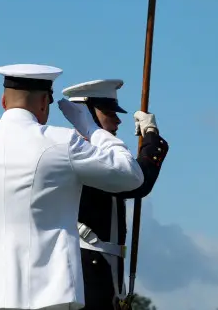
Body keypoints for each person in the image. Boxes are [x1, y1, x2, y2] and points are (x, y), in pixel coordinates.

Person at [0, 64, 145, 310]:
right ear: (44, 102)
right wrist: (92, 130)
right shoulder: (62, 143)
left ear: (3, 101)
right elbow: (131, 175)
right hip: (48, 297)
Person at [61, 78, 169, 310]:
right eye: (109, 112)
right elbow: (138, 183)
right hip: (87, 273)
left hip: (102, 272)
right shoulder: (79, 154)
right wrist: (151, 136)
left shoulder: (98, 154)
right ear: (87, 114)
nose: (118, 120)